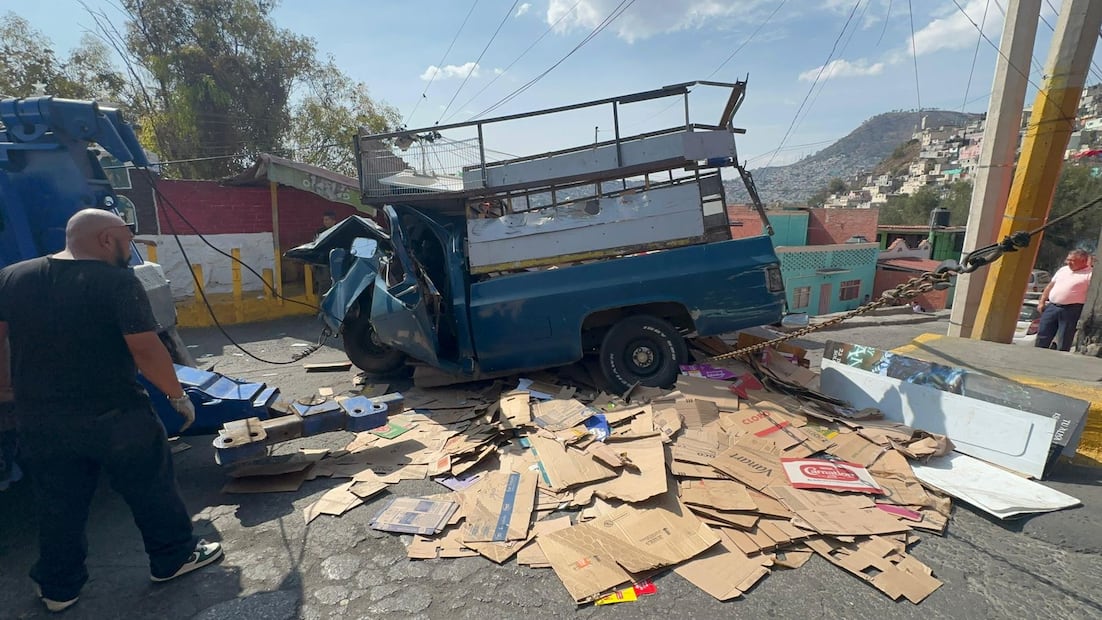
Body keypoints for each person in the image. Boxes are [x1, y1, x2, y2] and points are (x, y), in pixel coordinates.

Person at [0, 209, 223, 613]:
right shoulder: (118, 281)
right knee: (151, 488)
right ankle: (173, 558)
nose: (131, 245)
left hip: (41, 420)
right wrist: (177, 395)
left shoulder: (13, 276)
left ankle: (58, 588)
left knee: (58, 503)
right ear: (106, 239)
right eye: (127, 237)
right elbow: (145, 348)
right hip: (115, 416)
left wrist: (7, 392)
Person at [1036, 249, 1093, 351]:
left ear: (1083, 261)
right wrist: (1042, 302)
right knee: (1043, 334)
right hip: (1052, 307)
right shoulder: (1063, 270)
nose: (1068, 263)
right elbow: (1050, 286)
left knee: (1064, 338)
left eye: (1073, 261)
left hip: (1071, 309)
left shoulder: (1090, 274)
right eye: (1068, 260)